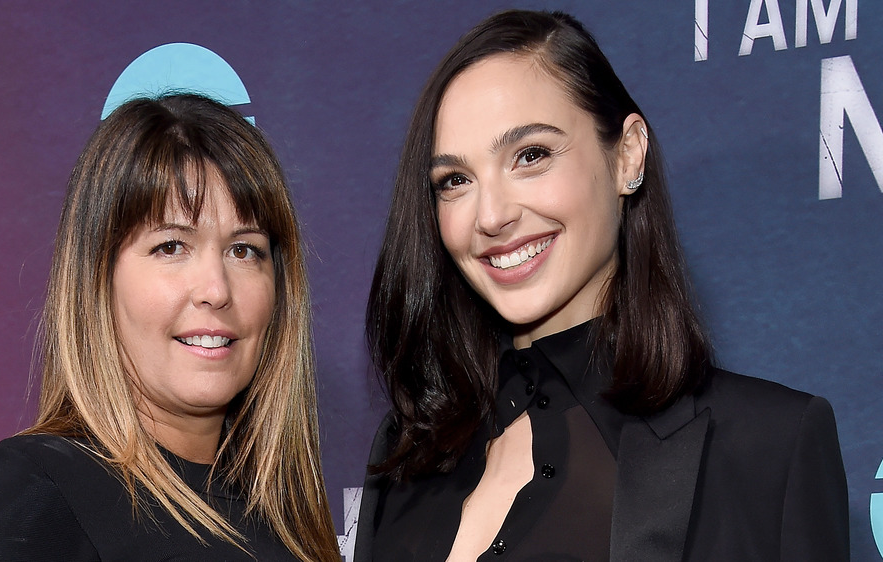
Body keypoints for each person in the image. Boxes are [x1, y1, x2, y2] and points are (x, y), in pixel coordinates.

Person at [356, 10, 848, 562]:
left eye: (531, 155)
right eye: (455, 181)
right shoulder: (408, 454)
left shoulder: (770, 447)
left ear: (627, 155)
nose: (490, 215)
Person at [0, 94, 341, 561]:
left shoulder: (288, 521)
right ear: (98, 281)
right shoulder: (33, 494)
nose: (215, 289)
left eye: (244, 250)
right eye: (170, 247)